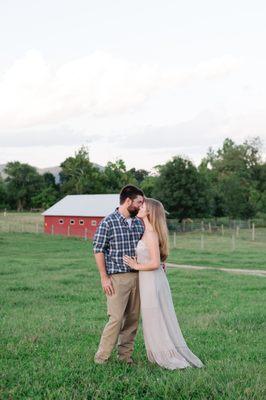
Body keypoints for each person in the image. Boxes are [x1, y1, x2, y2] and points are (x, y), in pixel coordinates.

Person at [123, 198, 204, 370]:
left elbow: (154, 263)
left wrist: (136, 265)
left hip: (152, 280)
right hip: (148, 280)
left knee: (156, 317)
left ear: (150, 212)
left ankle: (166, 355)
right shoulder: (147, 231)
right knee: (152, 317)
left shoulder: (151, 234)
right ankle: (158, 352)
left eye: (143, 205)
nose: (139, 207)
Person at [93, 185, 144, 364]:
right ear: (128, 201)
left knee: (132, 319)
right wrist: (104, 277)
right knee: (115, 319)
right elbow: (98, 249)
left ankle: (125, 357)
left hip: (138, 278)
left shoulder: (139, 223)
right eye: (139, 202)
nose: (141, 206)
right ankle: (101, 357)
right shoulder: (108, 222)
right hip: (117, 278)